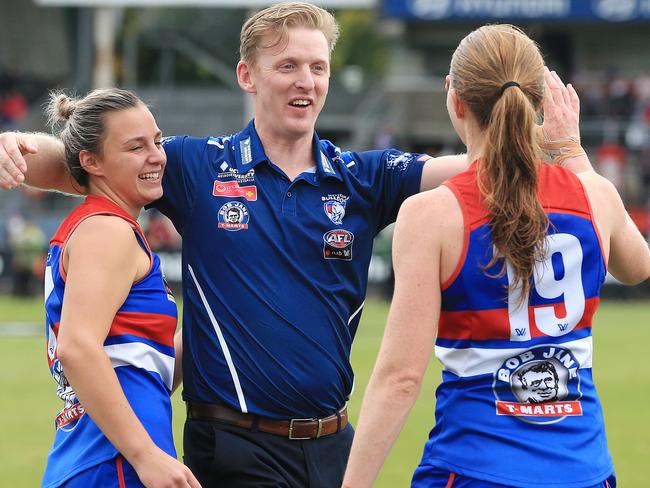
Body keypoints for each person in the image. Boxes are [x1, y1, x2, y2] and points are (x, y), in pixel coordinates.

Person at [0, 5, 583, 487]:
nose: (306, 81)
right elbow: (79, 162)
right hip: (233, 447)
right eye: (287, 65)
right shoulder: (196, 165)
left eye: (318, 67)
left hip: (335, 449)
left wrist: (550, 141)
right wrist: (13, 146)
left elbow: (484, 166)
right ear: (247, 76)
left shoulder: (364, 176)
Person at [342, 25, 650, 488]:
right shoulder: (594, 196)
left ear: (456, 99)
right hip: (585, 469)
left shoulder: (432, 214)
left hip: (473, 469)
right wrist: (571, 151)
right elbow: (637, 265)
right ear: (537, 100)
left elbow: (401, 379)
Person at [28, 88, 200, 487]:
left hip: (104, 455)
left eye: (157, 141)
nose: (156, 156)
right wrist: (145, 455)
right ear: (91, 162)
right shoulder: (107, 230)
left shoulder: (101, 227)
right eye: (135, 147)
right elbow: (77, 348)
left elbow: (136, 364)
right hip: (114, 461)